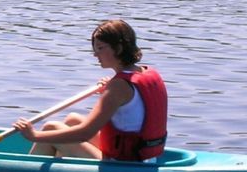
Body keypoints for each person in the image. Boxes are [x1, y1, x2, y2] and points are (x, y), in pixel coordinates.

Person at [14, 19, 167, 161]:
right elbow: (130, 101)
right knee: (72, 119)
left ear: (119, 48)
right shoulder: (147, 72)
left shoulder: (118, 86)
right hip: (144, 157)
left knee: (50, 128)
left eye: (100, 48)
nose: (95, 54)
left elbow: (85, 133)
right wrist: (110, 90)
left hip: (124, 164)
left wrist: (34, 135)